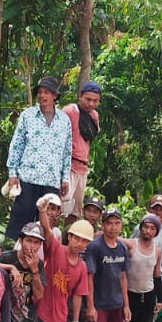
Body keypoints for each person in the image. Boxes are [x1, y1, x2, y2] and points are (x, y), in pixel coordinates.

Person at [3, 74, 73, 239]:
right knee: (21, 219)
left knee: (46, 224)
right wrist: (13, 173)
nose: (42, 96)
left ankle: (43, 261)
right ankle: (12, 254)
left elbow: (67, 151)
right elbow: (17, 144)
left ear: (54, 96)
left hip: (51, 180)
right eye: (40, 92)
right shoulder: (28, 115)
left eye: (46, 92)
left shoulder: (64, 120)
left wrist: (65, 178)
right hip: (28, 177)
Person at [82, 206, 131, 322]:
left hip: (116, 305)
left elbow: (123, 277)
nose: (113, 227)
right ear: (102, 225)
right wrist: (90, 306)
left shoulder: (122, 248)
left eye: (116, 223)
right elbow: (89, 277)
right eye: (109, 223)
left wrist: (126, 305)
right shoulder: (95, 247)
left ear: (121, 225)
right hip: (99, 305)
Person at [62, 80, 102, 219]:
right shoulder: (69, 112)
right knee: (61, 209)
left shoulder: (94, 116)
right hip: (69, 167)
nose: (91, 104)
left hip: (83, 167)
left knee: (75, 212)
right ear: (80, 96)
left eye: (95, 101)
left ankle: (69, 240)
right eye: (88, 99)